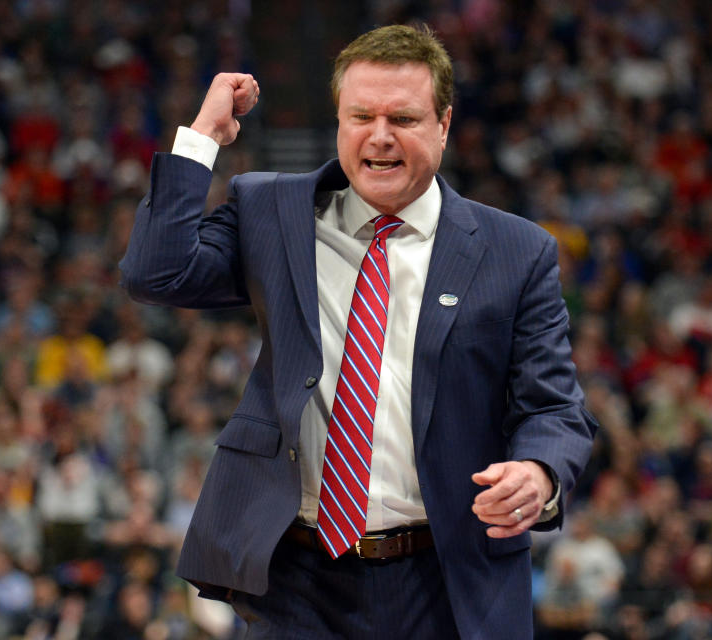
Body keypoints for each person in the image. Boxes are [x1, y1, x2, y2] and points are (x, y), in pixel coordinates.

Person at [120, 24, 596, 639]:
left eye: (403, 118)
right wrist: (204, 137)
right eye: (361, 115)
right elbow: (156, 273)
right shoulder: (272, 211)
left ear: (444, 126)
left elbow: (555, 408)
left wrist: (538, 472)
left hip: (446, 580)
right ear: (339, 121)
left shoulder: (517, 251)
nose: (379, 137)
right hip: (295, 577)